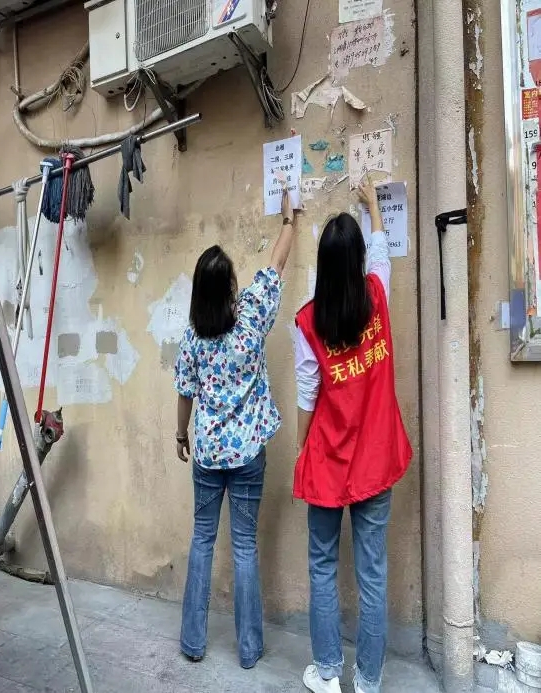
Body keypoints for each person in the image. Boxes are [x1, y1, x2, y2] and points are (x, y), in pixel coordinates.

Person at [293, 178, 412, 693]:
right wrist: (372, 208)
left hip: (328, 458)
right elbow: (382, 253)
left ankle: (326, 673)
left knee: (322, 565)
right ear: (358, 261)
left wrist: (302, 448)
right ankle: (367, 680)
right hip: (376, 458)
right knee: (372, 572)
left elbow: (306, 396)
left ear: (322, 265)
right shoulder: (377, 297)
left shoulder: (308, 321)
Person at [173, 189, 297, 669]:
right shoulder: (250, 321)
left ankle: (192, 642)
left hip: (207, 456)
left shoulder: (192, 338)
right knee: (244, 546)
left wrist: (181, 435)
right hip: (247, 457)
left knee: (202, 540)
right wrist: (289, 221)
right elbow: (276, 265)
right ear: (229, 290)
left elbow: (184, 393)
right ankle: (249, 649)